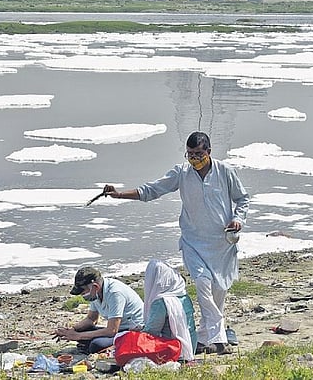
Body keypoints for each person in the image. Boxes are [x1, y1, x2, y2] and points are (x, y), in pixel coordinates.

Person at [104, 131, 249, 355]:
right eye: (190, 154)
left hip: (222, 243)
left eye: (198, 154)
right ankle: (219, 338)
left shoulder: (225, 172)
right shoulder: (181, 173)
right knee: (202, 283)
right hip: (193, 243)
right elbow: (152, 190)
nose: (194, 158)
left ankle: (205, 337)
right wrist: (120, 194)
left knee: (218, 291)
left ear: (208, 152)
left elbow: (242, 199)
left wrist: (238, 219)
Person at [54, 266, 144, 353]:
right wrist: (72, 330)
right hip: (117, 330)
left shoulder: (115, 293)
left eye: (84, 292)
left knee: (96, 344)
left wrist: (78, 336)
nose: (83, 295)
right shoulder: (95, 294)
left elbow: (112, 331)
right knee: (82, 332)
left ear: (95, 287)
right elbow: (91, 319)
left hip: (132, 331)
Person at [143, 259, 197, 362]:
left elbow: (152, 332)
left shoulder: (161, 302)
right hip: (190, 347)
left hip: (171, 349)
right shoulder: (184, 297)